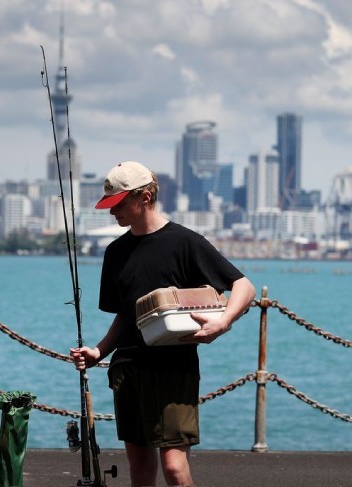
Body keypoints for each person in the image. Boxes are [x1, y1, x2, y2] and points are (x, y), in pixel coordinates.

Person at [71, 161, 256, 487]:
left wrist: (223, 322)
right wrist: (98, 351)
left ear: (145, 197)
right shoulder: (115, 252)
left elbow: (244, 287)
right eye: (109, 205)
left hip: (174, 368)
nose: (113, 212)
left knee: (174, 468)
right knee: (140, 473)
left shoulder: (186, 242)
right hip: (128, 368)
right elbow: (126, 315)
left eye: (119, 204)